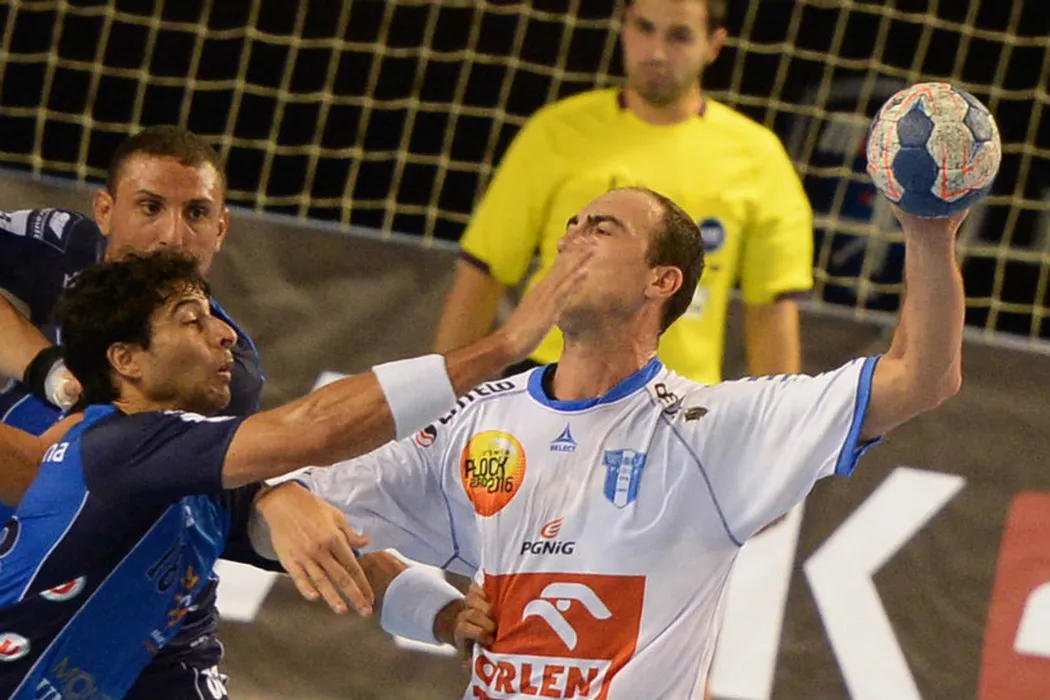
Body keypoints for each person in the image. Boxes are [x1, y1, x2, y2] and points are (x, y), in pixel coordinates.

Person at [253, 185, 966, 699]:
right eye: (570, 227)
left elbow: (921, 378)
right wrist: (281, 502)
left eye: (601, 229)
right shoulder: (475, 424)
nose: (572, 240)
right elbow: (297, 527)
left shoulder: (712, 431)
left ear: (663, 280)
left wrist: (928, 231)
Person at [0, 245, 590, 699]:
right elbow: (314, 430)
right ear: (125, 359)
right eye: (192, 321)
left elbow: (347, 555)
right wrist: (503, 345)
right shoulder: (113, 445)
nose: (225, 334)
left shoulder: (194, 490)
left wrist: (448, 617)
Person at [0, 126, 273, 698]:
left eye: (196, 213)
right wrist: (47, 369)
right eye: (150, 208)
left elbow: (54, 479)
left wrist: (283, 498)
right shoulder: (67, 250)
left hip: (119, 602)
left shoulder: (222, 367)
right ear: (105, 211)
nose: (172, 235)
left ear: (221, 228)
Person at [433, 0, 813, 386]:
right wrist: (440, 402)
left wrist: (784, 422)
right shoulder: (557, 132)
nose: (656, 52)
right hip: (552, 379)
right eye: (644, 28)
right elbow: (483, 271)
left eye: (679, 36)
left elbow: (771, 309)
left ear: (713, 45)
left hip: (681, 394)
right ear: (624, 26)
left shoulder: (758, 157)